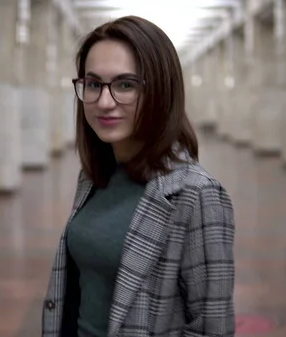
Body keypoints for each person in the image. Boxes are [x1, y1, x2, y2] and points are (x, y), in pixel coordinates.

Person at [41, 15, 236, 337]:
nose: (104, 102)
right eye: (93, 84)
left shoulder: (196, 194)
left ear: (160, 91)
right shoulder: (94, 176)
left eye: (126, 85)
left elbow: (210, 328)